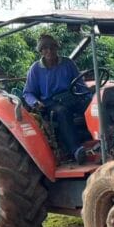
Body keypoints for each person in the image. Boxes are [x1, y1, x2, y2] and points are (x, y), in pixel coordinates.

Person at [23, 34, 91, 164]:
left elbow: (80, 84)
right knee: (62, 111)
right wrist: (35, 102)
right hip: (50, 102)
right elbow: (28, 93)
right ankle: (75, 150)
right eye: (45, 48)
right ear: (41, 51)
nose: (49, 51)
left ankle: (102, 138)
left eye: (52, 47)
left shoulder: (67, 63)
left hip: (70, 96)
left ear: (56, 48)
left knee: (92, 103)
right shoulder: (36, 69)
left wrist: (88, 96)